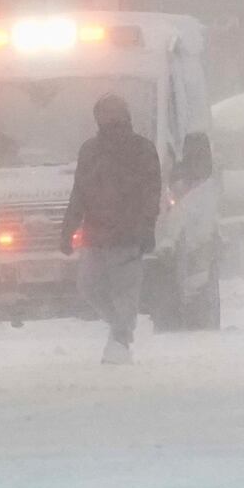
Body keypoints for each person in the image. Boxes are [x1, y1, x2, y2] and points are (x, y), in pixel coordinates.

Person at [62, 91, 164, 364]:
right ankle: (119, 327)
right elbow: (79, 192)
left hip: (129, 235)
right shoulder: (90, 151)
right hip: (95, 235)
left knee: (125, 292)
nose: (109, 120)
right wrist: (68, 227)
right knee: (89, 286)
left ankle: (120, 339)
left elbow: (151, 192)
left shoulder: (142, 150)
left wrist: (147, 226)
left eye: (114, 114)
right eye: (105, 115)